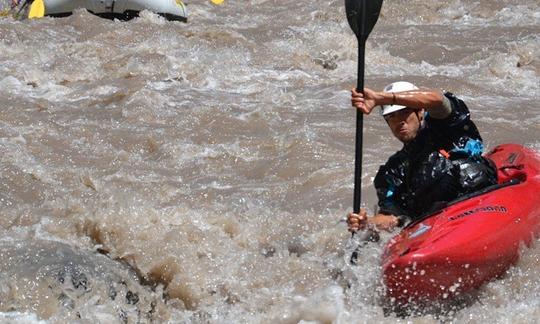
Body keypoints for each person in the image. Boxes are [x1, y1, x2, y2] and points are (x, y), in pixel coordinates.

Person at [347, 81, 497, 233]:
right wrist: (366, 223)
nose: (399, 121)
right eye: (392, 116)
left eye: (405, 112)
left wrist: (382, 98)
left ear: (420, 112)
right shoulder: (391, 171)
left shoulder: (446, 125)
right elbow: (392, 217)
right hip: (443, 223)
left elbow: (437, 99)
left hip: (481, 199)